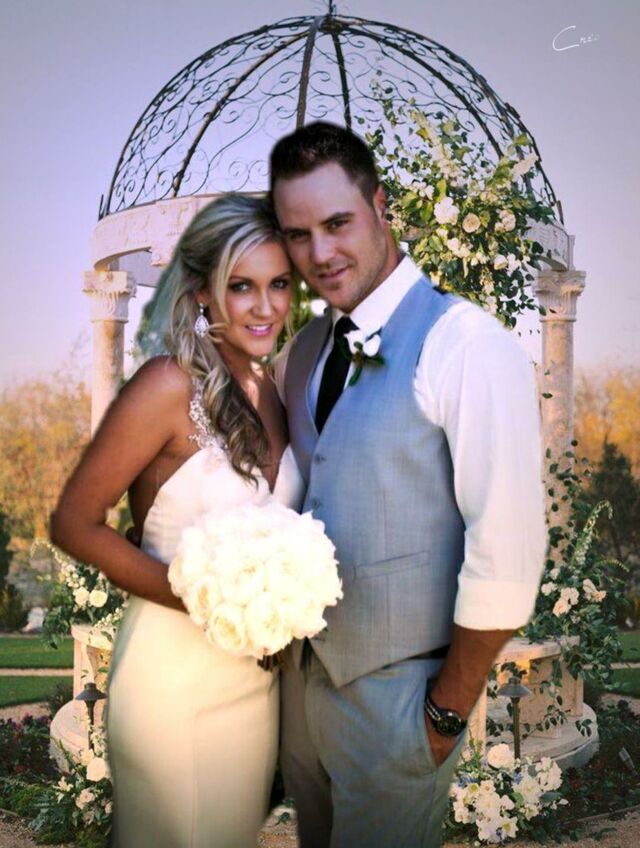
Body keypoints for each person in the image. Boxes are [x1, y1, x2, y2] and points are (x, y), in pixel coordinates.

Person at [270, 122, 547, 848]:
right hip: (301, 697)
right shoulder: (302, 351)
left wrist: (444, 715)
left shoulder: (466, 342)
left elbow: (507, 548)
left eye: (337, 223)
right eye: (298, 235)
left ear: (380, 207)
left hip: (402, 704)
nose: (320, 254)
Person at [50, 194, 304, 848]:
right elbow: (75, 523)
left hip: (255, 686)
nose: (265, 306)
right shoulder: (166, 385)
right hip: (174, 677)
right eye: (240, 286)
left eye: (278, 284)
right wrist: (208, 600)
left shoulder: (276, 392)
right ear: (200, 294)